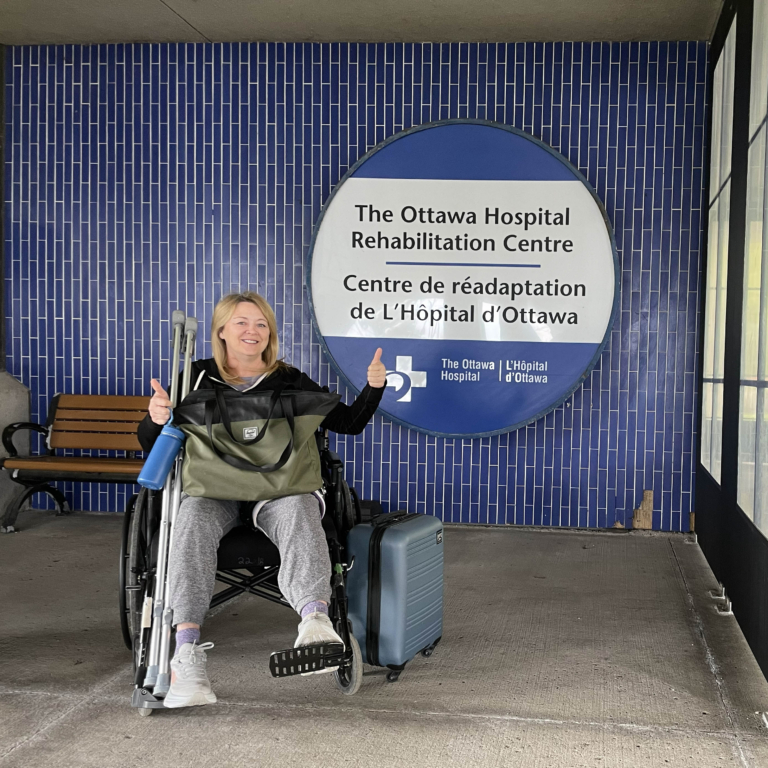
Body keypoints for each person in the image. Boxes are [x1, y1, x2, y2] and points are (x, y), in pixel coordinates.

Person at [137, 291, 386, 708]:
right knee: (191, 519)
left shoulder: (289, 379)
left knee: (300, 507)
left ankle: (315, 622)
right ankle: (186, 653)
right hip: (213, 491)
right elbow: (152, 444)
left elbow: (348, 423)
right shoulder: (195, 378)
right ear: (221, 330)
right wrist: (156, 417)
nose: (252, 331)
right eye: (241, 322)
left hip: (277, 490)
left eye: (261, 324)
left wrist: (374, 388)